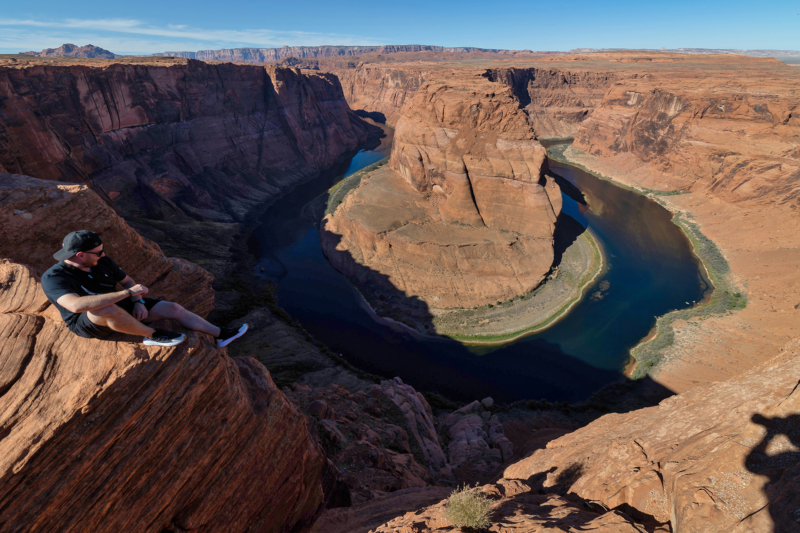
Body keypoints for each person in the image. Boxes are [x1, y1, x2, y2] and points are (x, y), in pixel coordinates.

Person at [41, 230, 248, 348]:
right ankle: (152, 335)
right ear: (79, 255)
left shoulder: (103, 262)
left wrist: (137, 301)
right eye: (98, 252)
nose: (103, 255)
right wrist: (127, 294)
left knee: (173, 308)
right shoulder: (54, 278)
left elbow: (129, 281)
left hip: (118, 303)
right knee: (104, 309)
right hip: (87, 322)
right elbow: (76, 306)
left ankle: (220, 334)